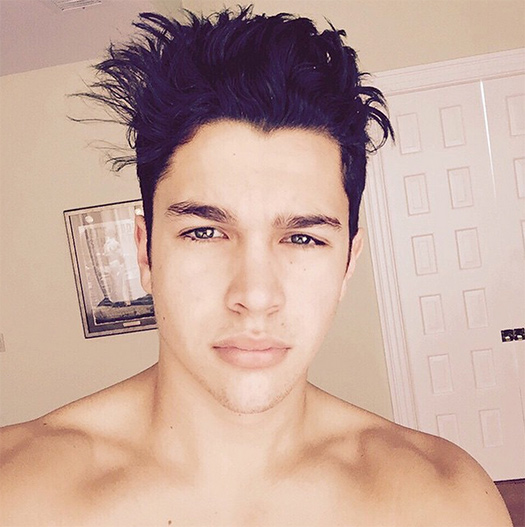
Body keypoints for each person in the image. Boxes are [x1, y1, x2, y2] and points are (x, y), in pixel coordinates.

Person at [0, 6, 511, 526]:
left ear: (348, 263)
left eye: (303, 238)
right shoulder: (16, 493)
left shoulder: (444, 501)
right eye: (205, 232)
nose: (255, 295)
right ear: (145, 252)